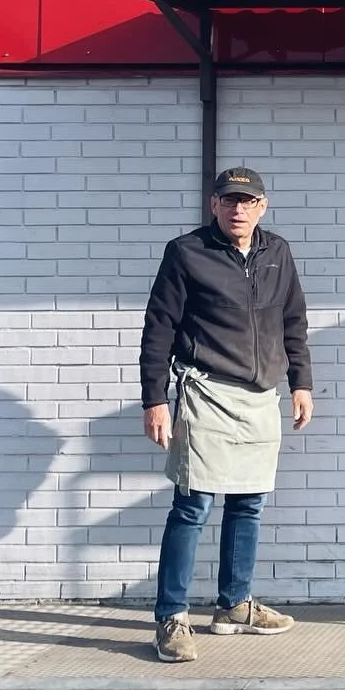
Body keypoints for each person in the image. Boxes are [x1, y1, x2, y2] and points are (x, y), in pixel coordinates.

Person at [140, 166, 314, 662]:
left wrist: (301, 383)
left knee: (249, 504)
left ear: (263, 205)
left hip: (261, 398)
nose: (238, 209)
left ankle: (233, 605)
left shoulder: (277, 253)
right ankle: (171, 618)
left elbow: (294, 321)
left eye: (248, 201)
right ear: (213, 204)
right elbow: (159, 329)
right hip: (206, 391)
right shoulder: (186, 253)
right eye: (229, 200)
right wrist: (154, 399)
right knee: (192, 507)